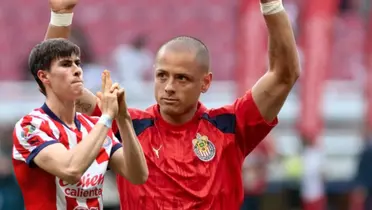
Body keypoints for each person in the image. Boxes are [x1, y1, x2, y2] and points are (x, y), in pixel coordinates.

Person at [47, 0, 300, 209]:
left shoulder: (230, 125)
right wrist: (61, 16)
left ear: (205, 83)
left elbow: (284, 75)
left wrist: (271, 4)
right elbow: (58, 86)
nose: (169, 86)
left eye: (182, 78)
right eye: (162, 76)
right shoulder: (127, 125)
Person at [12, 20, 148, 210]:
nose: (76, 70)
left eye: (77, 63)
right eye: (66, 64)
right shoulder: (30, 126)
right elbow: (71, 170)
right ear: (44, 77)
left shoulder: (94, 126)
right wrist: (107, 117)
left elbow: (138, 175)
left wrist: (122, 118)